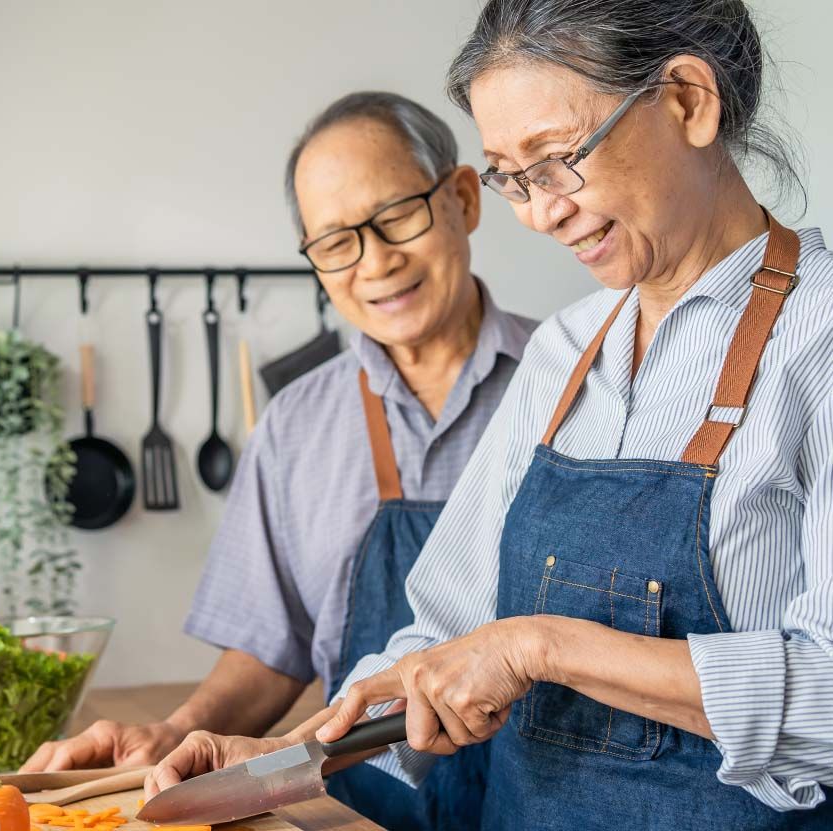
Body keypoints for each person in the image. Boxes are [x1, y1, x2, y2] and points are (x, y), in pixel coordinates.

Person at [145, 2, 833, 828]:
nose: (541, 213)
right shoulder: (565, 353)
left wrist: (540, 646)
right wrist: (290, 756)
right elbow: (445, 634)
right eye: (514, 176)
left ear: (688, 99)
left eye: (556, 160)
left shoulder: (817, 337)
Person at [23, 91, 536, 830]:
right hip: (353, 815)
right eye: (336, 243)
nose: (377, 261)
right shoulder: (296, 424)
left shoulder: (582, 385)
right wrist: (173, 734)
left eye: (396, 216)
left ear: (461, 198)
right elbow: (272, 650)